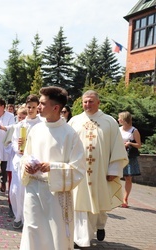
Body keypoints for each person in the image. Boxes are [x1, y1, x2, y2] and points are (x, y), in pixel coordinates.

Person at [20, 86, 86, 250]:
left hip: (56, 195)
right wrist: (27, 164)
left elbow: (78, 169)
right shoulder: (35, 129)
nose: (38, 107)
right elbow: (27, 154)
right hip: (33, 189)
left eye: (42, 104)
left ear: (56, 108)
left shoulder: (69, 134)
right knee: (32, 229)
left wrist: (52, 168)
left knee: (55, 233)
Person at [68, 90, 128, 247]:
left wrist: (114, 170)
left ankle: (100, 225)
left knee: (99, 204)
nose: (87, 104)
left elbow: (117, 147)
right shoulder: (74, 121)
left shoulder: (109, 122)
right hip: (79, 170)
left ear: (98, 102)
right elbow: (67, 145)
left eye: (91, 101)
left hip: (100, 171)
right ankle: (81, 239)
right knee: (80, 204)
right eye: (85, 102)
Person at [10, 94, 42, 229]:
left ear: (38, 108)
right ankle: (18, 216)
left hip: (34, 161)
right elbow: (13, 141)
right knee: (16, 190)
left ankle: (28, 218)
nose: (30, 110)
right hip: (20, 159)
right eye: (29, 107)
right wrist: (18, 146)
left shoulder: (41, 125)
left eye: (33, 107)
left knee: (29, 191)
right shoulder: (21, 125)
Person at [118, 111, 142, 208]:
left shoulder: (134, 131)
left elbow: (139, 145)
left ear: (124, 119)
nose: (118, 120)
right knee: (115, 176)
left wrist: (130, 143)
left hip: (129, 157)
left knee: (128, 178)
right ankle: (116, 197)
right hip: (119, 155)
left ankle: (125, 199)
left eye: (120, 118)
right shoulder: (118, 130)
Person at [0, 98, 15, 193]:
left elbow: (13, 127)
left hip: (4, 142)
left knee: (4, 165)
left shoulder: (10, 116)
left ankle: (3, 182)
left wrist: (3, 127)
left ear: (2, 106)